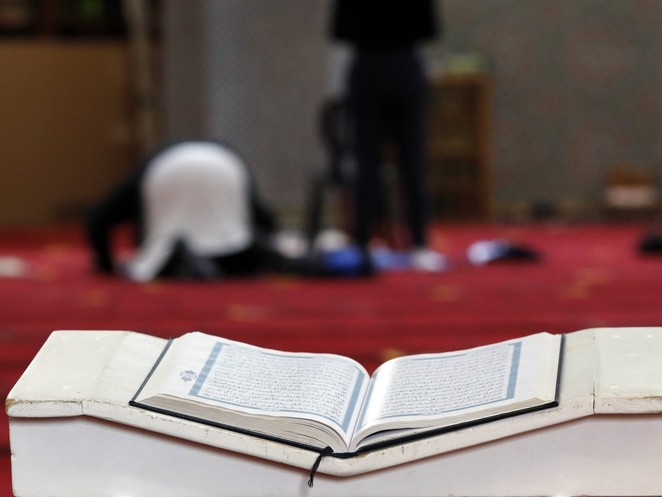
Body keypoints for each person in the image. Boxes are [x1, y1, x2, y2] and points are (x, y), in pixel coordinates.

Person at [330, 0, 446, 272]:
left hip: (367, 66)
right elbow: (430, 29)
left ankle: (362, 242)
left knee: (365, 161)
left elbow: (339, 31)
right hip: (404, 66)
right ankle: (419, 244)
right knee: (413, 162)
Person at [85, 140, 278, 281]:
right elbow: (262, 216)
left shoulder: (152, 164)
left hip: (166, 169)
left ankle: (177, 255)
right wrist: (270, 240)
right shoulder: (222, 155)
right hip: (226, 161)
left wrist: (106, 263)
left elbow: (99, 218)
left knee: (162, 253)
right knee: (232, 246)